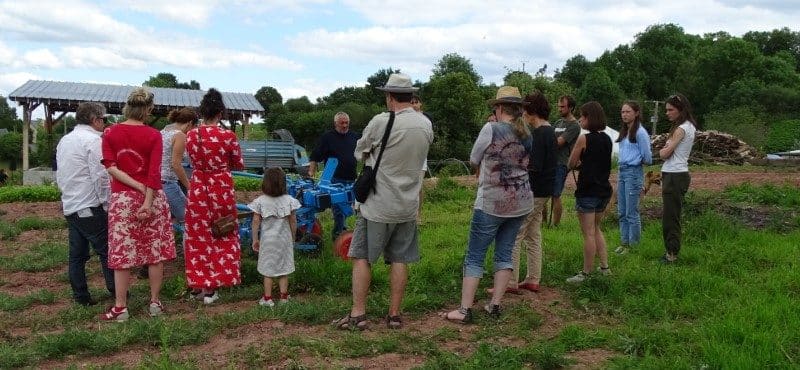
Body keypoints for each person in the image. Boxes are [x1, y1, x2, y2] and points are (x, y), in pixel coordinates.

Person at [333, 73, 432, 330]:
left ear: (389, 96)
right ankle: (395, 315)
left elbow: (359, 152)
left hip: (378, 205)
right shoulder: (425, 125)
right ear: (411, 95)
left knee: (362, 257)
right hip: (408, 205)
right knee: (400, 259)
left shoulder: (380, 121)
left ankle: (358, 314)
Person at [441, 86, 532, 323]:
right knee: (504, 253)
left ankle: (464, 310)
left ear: (499, 107)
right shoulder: (527, 133)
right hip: (520, 202)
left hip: (492, 202)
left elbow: (473, 158)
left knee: (474, 256)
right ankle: (495, 305)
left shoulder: (491, 128)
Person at [100, 87, 176, 321]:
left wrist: (135, 186)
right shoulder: (154, 135)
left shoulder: (110, 132)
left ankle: (120, 307)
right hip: (152, 198)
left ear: (127, 107)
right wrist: (147, 198)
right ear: (149, 109)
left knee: (122, 254)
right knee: (154, 253)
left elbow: (110, 166)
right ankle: (154, 303)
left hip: (122, 199)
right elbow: (154, 173)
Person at [184, 88, 244, 303]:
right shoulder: (228, 136)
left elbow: (190, 160)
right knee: (222, 231)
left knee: (198, 236)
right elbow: (238, 163)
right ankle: (213, 286)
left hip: (199, 188)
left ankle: (198, 285)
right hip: (221, 187)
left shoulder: (191, 135)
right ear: (220, 113)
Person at [55, 102, 115, 306]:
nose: (104, 123)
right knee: (107, 251)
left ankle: (81, 297)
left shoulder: (65, 140)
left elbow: (61, 172)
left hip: (72, 203)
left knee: (77, 256)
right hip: (90, 204)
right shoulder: (94, 141)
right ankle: (117, 291)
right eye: (103, 119)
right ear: (95, 120)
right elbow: (100, 176)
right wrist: (107, 204)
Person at [504, 92, 556, 294]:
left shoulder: (540, 134)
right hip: (545, 190)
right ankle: (533, 278)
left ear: (530, 110)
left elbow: (535, 165)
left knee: (516, 234)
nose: (522, 114)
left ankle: (510, 281)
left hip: (534, 191)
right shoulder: (549, 131)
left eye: (524, 109)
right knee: (533, 235)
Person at [566, 101, 613, 284]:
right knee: (596, 229)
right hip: (603, 191)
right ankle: (604, 267)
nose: (580, 119)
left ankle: (585, 273)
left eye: (582, 116)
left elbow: (571, 163)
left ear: (589, 118)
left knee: (588, 233)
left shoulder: (583, 139)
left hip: (587, 192)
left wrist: (579, 163)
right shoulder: (607, 139)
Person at [248, 167, 301, 307]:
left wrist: (255, 239)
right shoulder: (289, 200)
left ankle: (267, 298)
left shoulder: (260, 201)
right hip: (284, 240)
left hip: (267, 241)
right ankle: (283, 298)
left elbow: (255, 221)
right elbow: (293, 220)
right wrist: (293, 236)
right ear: (283, 183)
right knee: (284, 270)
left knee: (268, 270)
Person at [308, 111, 360, 240]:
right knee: (338, 209)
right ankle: (338, 235)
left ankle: (343, 230)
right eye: (341, 123)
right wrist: (311, 171)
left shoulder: (354, 136)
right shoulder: (328, 137)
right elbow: (315, 155)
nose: (344, 125)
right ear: (335, 123)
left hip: (351, 178)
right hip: (335, 180)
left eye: (346, 122)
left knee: (348, 207)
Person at [659, 93, 697, 264]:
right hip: (676, 173)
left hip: (674, 174)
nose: (667, 113)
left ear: (680, 110)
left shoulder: (681, 129)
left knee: (670, 217)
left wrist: (663, 150)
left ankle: (672, 254)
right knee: (672, 214)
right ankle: (671, 251)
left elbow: (665, 153)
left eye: (670, 109)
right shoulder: (689, 127)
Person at [614, 101, 653, 255]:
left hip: (633, 172)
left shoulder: (640, 132)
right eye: (623, 112)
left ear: (636, 113)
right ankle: (624, 242)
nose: (625, 115)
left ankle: (633, 245)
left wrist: (636, 161)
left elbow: (648, 157)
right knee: (622, 210)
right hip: (622, 171)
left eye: (628, 112)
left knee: (631, 211)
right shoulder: (625, 131)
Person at [160, 107, 196, 251]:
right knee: (189, 217)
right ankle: (192, 255)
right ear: (189, 123)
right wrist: (189, 185)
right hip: (168, 182)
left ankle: (164, 252)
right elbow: (176, 164)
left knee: (168, 219)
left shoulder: (163, 131)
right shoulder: (180, 135)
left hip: (156, 182)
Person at [551, 95, 580, 227]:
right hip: (551, 161)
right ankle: (543, 223)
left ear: (571, 108)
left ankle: (555, 225)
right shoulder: (558, 122)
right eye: (559, 106)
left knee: (556, 194)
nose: (560, 109)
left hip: (561, 163)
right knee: (544, 194)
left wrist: (546, 143)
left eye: (563, 107)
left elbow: (558, 143)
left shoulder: (574, 125)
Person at [410, 94, 433, 224]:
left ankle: (418, 215)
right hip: (407, 158)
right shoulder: (405, 118)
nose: (413, 105)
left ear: (420, 104)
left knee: (418, 187)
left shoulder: (426, 119)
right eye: (411, 102)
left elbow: (429, 138)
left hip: (421, 157)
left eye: (416, 102)